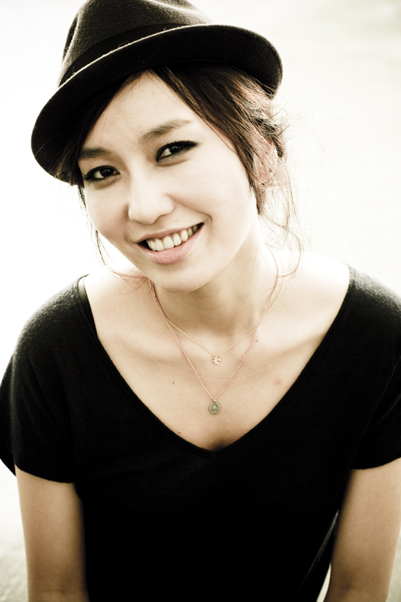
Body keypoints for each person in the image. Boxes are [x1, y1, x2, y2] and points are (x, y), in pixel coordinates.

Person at [1, 0, 401, 600]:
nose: (143, 207)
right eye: (102, 172)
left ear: (261, 152)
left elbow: (358, 591)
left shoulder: (374, 338)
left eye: (171, 149)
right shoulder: (57, 353)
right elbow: (56, 592)